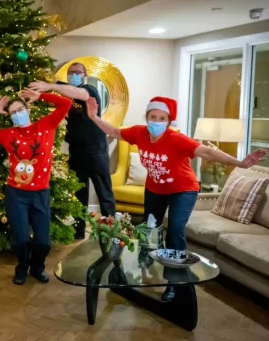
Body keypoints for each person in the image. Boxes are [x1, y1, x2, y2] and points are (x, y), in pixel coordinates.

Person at [86, 95, 266, 301]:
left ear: (169, 121)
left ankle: (174, 281)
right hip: (155, 189)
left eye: (161, 118)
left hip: (183, 189)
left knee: (175, 229)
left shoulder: (176, 139)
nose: (156, 121)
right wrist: (93, 116)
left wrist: (240, 163)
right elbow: (114, 131)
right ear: (147, 117)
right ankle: (147, 259)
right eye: (152, 116)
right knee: (150, 227)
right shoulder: (139, 133)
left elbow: (206, 152)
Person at [0, 89, 72, 285]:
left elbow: (66, 104)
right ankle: (21, 268)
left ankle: (37, 268)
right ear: (10, 117)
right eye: (12, 112)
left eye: (20, 109)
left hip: (40, 193)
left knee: (43, 242)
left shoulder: (46, 125)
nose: (17, 114)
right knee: (20, 240)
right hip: (16, 194)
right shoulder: (8, 134)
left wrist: (41, 95)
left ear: (27, 109)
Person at [30, 62, 115, 239]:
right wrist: (45, 87)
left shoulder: (90, 90)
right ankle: (78, 232)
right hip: (76, 150)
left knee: (104, 193)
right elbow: (61, 93)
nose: (74, 75)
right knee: (78, 193)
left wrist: (50, 86)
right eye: (71, 73)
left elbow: (78, 93)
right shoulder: (66, 93)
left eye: (78, 72)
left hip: (96, 149)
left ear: (84, 75)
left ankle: (111, 233)